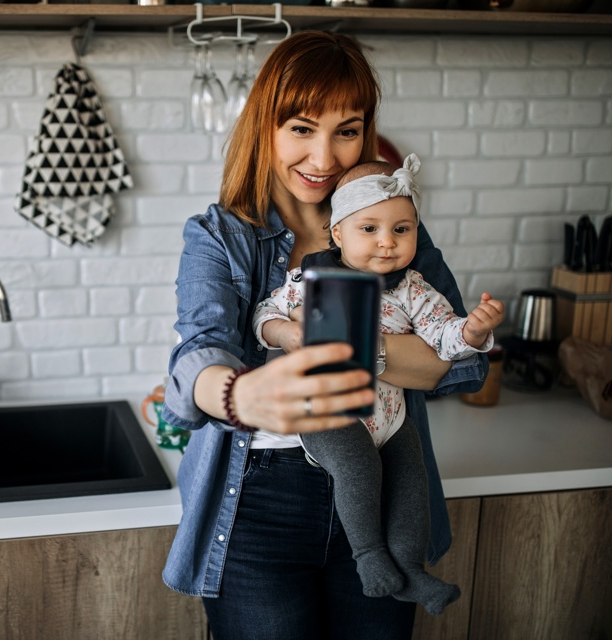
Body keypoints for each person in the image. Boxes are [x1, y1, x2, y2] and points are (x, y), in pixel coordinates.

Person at [160, 30, 489, 640]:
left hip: (387, 492)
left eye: (348, 130)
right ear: (267, 127)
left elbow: (454, 363)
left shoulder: (391, 227)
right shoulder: (221, 237)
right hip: (261, 505)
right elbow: (198, 353)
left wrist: (340, 344)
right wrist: (237, 395)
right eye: (302, 128)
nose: (324, 158)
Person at [252, 153, 504, 616]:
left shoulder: (414, 289)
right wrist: (286, 333)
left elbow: (445, 338)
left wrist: (473, 331)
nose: (387, 243)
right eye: (369, 229)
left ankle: (412, 572)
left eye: (401, 230)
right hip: (329, 411)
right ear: (338, 234)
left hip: (392, 418)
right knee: (359, 469)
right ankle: (369, 556)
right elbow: (264, 314)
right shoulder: (312, 281)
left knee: (412, 482)